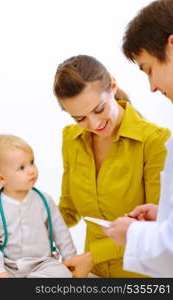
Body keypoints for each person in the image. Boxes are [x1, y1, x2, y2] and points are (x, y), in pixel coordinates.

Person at [53, 54, 171, 278]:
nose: (94, 124)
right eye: (80, 118)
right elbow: (68, 209)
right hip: (92, 274)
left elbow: (159, 229)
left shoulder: (155, 141)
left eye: (99, 109)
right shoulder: (71, 139)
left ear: (112, 85)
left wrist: (93, 256)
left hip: (140, 277)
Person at [103, 0, 173, 277]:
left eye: (149, 69)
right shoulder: (70, 140)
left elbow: (169, 251)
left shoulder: (153, 138)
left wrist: (133, 233)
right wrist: (165, 216)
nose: (152, 87)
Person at [0, 134, 77, 278]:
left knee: (62, 273)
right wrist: (0, 273)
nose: (31, 170)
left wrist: (71, 259)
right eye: (22, 167)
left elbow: (61, 233)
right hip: (8, 266)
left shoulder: (44, 200)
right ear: (1, 178)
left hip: (42, 264)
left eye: (31, 162)